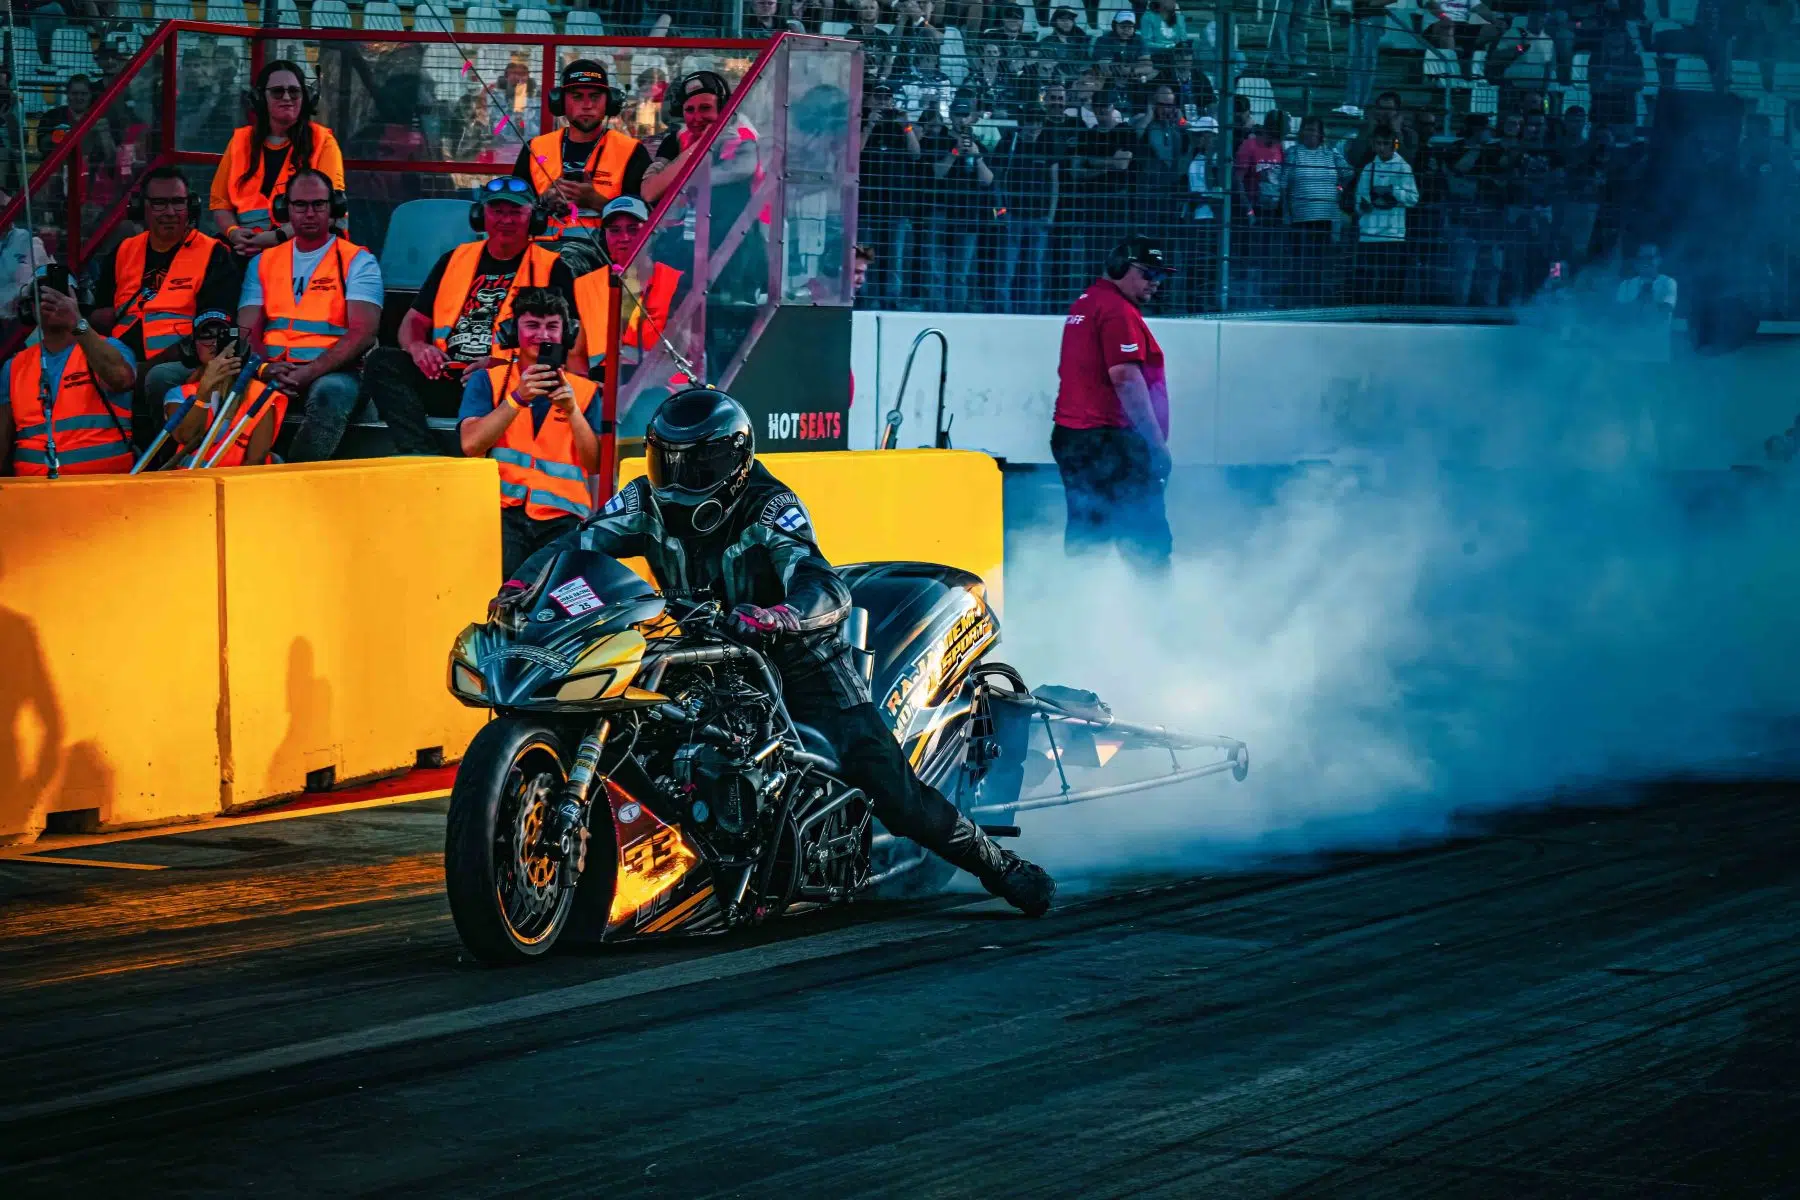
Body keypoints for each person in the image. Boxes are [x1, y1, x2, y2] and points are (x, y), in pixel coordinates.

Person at [503, 389, 1055, 917]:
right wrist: (522, 586)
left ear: (730, 463)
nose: (674, 478)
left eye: (690, 465)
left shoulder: (771, 505)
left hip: (797, 665)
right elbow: (576, 543)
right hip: (698, 654)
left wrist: (779, 615)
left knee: (893, 791)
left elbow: (822, 583)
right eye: (663, 460)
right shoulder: (645, 500)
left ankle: (1001, 867)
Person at [362, 178, 576, 455]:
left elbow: (568, 343)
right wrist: (418, 348)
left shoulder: (554, 268)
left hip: (508, 386)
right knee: (381, 361)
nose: (506, 220)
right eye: (497, 211)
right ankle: (422, 457)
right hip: (447, 377)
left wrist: (502, 364)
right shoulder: (453, 259)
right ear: (480, 216)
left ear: (533, 218)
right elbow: (413, 321)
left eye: (515, 212)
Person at [237, 169, 382, 463]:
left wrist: (308, 373)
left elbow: (363, 332)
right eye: (300, 205)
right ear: (284, 210)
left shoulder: (358, 261)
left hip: (337, 372)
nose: (310, 212)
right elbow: (247, 329)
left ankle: (290, 480)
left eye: (318, 204)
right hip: (272, 369)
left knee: (329, 394)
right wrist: (265, 368)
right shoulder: (262, 263)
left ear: (333, 208)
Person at [1050, 235, 1174, 574]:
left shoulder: (1086, 302)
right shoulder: (1118, 311)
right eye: (1148, 274)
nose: (1155, 283)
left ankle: (1082, 610)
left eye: (1160, 276)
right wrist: (1157, 444)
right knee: (1146, 543)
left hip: (1077, 437)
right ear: (1121, 267)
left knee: (1088, 536)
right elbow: (1126, 379)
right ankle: (1158, 616)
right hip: (1111, 442)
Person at [91, 166, 239, 449]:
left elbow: (212, 332)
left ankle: (167, 463)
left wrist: (142, 369)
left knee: (160, 378)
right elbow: (100, 312)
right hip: (124, 361)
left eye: (177, 202)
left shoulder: (214, 254)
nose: (170, 211)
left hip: (184, 360)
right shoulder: (123, 251)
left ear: (190, 205)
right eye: (159, 203)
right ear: (141, 208)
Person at [458, 288, 600, 576]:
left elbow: (595, 463)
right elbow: (470, 444)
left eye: (552, 326)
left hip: (564, 522)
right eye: (532, 325)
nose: (543, 335)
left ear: (566, 334)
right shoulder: (489, 381)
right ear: (513, 333)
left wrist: (572, 411)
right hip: (500, 514)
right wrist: (517, 399)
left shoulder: (585, 393)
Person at [0, 265, 138, 476]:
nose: (51, 301)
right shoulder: (14, 366)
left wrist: (77, 322)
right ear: (29, 308)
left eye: (61, 295)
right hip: (33, 492)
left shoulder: (110, 348)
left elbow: (121, 378)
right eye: (42, 295)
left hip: (103, 488)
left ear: (78, 302)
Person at [211, 60, 347, 264]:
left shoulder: (323, 142)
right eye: (277, 92)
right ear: (260, 98)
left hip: (305, 252)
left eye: (294, 91)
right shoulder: (240, 141)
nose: (287, 97)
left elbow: (330, 210)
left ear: (306, 97)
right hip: (244, 250)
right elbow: (220, 203)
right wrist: (233, 233)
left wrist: (276, 238)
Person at [514, 60, 649, 235]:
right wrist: (543, 202)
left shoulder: (632, 151)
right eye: (577, 96)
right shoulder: (535, 148)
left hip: (605, 255)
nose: (587, 105)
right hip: (542, 253)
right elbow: (512, 213)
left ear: (609, 102)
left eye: (595, 96)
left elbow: (648, 218)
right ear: (560, 102)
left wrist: (595, 201)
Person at [571, 196, 687, 379]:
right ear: (605, 236)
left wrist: (632, 390)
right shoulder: (586, 285)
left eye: (633, 229)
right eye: (614, 231)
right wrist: (588, 390)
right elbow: (577, 354)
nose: (624, 238)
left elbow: (684, 355)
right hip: (602, 390)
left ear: (651, 233)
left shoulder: (676, 282)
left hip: (658, 392)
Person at [160, 309, 285, 468]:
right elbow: (186, 436)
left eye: (223, 335)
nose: (215, 343)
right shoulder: (179, 394)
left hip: (240, 486)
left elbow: (256, 460)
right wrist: (205, 390)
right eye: (206, 336)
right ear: (192, 347)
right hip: (192, 485)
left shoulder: (259, 394)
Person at [641, 70, 759, 207]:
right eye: (689, 110)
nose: (696, 118)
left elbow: (697, 185)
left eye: (705, 108)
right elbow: (649, 192)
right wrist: (699, 145)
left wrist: (701, 143)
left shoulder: (744, 141)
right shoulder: (677, 138)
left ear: (724, 108)